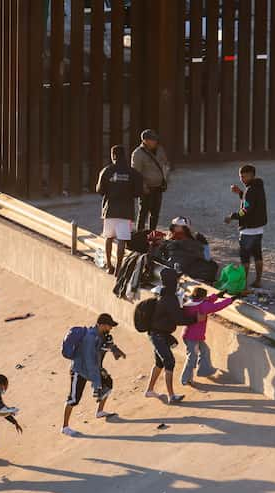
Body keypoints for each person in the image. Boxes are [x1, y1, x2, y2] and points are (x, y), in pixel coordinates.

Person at [62, 313, 126, 437]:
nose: (111, 328)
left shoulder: (101, 335)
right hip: (79, 370)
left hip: (93, 369)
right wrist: (96, 383)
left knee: (108, 384)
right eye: (109, 326)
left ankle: (100, 411)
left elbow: (106, 345)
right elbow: (89, 361)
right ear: (101, 325)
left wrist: (115, 349)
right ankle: (65, 427)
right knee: (74, 399)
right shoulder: (90, 338)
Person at [144, 268, 202, 404]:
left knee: (160, 362)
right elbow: (179, 319)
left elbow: (175, 313)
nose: (178, 282)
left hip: (158, 334)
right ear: (171, 281)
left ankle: (150, 390)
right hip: (158, 335)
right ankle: (171, 396)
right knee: (169, 361)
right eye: (176, 279)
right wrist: (195, 319)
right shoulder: (169, 298)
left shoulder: (163, 294)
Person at [96, 145, 144, 274]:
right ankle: (119, 267)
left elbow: (99, 190)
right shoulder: (133, 173)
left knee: (109, 237)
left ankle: (109, 265)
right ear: (125, 156)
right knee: (122, 239)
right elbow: (139, 191)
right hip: (126, 210)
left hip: (110, 209)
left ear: (113, 156)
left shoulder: (107, 171)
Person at [180, 287, 234, 386]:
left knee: (205, 351)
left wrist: (217, 295)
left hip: (191, 335)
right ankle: (185, 379)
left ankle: (203, 371)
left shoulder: (191, 301)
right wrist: (232, 299)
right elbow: (217, 306)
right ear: (202, 297)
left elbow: (207, 300)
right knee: (192, 358)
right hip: (193, 337)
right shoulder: (203, 306)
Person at [225, 165, 268, 288]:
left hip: (248, 230)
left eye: (243, 176)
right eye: (240, 176)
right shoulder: (258, 187)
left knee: (245, 259)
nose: (241, 179)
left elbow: (246, 209)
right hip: (259, 229)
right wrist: (240, 193)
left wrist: (232, 216)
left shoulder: (250, 190)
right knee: (258, 255)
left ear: (250, 175)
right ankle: (258, 281)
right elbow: (251, 201)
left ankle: (242, 285)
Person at [132, 129, 169, 232]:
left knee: (155, 213)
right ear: (145, 141)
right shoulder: (138, 153)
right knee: (143, 212)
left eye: (155, 139)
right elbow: (136, 173)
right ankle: (140, 234)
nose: (155, 142)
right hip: (146, 189)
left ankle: (152, 234)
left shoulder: (160, 150)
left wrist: (165, 179)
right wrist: (143, 187)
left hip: (158, 187)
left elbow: (165, 163)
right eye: (152, 140)